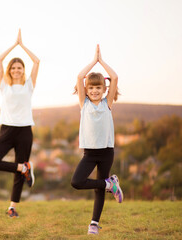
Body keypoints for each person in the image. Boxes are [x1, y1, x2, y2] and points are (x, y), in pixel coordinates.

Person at [0, 29, 40, 218]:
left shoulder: (29, 85)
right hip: (7, 129)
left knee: (18, 175)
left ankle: (12, 208)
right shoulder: (4, 85)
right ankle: (24, 168)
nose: (16, 70)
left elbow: (37, 61)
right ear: (10, 70)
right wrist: (14, 45)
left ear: (23, 70)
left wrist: (23, 46)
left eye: (19, 68)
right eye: (13, 68)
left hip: (25, 131)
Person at [70, 44, 123, 235]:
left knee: (98, 189)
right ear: (86, 89)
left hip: (106, 151)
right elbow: (78, 77)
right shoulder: (84, 104)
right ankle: (110, 184)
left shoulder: (107, 103)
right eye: (91, 87)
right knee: (77, 181)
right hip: (90, 153)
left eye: (98, 88)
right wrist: (93, 62)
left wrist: (102, 62)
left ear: (104, 89)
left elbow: (115, 77)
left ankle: (94, 223)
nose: (94, 91)